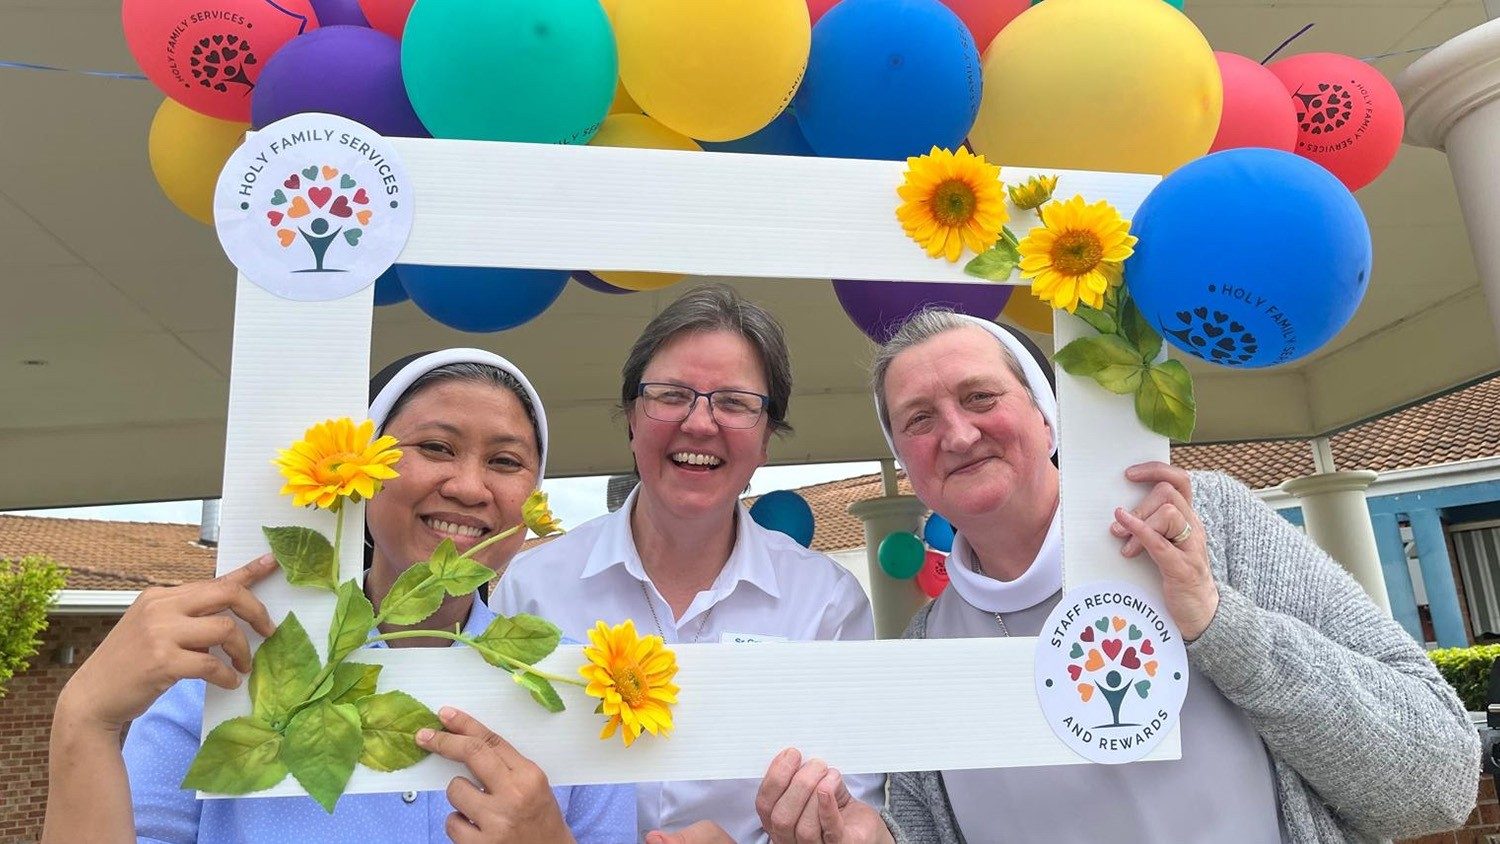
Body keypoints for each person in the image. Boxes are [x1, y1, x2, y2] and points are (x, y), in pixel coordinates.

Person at [766, 307, 1481, 843]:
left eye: (980, 397)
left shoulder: (1212, 526)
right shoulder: (927, 648)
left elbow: (1437, 782)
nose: (955, 433)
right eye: (918, 420)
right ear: (909, 467)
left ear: (1049, 421)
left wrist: (1217, 619)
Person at [44, 349, 635, 843]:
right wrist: (85, 719)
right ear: (367, 471)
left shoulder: (578, 687)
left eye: (505, 462)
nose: (469, 486)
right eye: (435, 447)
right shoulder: (225, 669)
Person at [494, 285, 881, 843]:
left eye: (734, 402)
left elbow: (849, 818)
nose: (700, 424)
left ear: (767, 439)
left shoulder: (827, 605)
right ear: (631, 417)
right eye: (672, 395)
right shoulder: (534, 588)